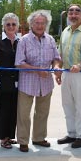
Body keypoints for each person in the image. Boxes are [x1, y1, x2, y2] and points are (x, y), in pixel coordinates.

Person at [14, 10, 62, 152]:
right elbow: (19, 63)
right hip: (27, 83)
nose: (40, 26)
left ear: (46, 24)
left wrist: (57, 67)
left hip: (46, 84)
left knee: (42, 112)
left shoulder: (51, 39)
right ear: (31, 24)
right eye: (37, 23)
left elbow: (56, 58)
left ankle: (39, 138)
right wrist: (37, 70)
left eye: (43, 23)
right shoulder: (23, 40)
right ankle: (23, 141)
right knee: (23, 114)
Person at [55, 4, 81, 149]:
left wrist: (79, 65)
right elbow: (59, 54)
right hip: (66, 73)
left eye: (76, 12)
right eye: (71, 13)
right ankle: (71, 133)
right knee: (67, 105)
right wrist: (58, 69)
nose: (73, 15)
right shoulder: (65, 31)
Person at [0, 13, 20, 149]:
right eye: (8, 24)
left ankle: (10, 136)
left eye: (13, 24)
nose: (11, 27)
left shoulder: (20, 40)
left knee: (13, 110)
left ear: (17, 26)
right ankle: (3, 138)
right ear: (3, 26)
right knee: (1, 111)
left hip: (16, 82)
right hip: (1, 81)